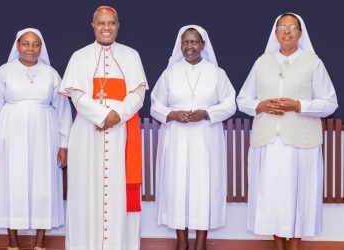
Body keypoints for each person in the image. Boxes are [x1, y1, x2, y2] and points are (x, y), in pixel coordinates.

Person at [237, 13, 338, 250]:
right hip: (269, 144)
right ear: (275, 33)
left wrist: (299, 105)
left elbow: (330, 103)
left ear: (301, 33)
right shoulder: (262, 61)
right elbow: (243, 99)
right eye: (282, 27)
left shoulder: (313, 62)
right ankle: (278, 246)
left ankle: (296, 246)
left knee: (298, 198)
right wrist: (259, 106)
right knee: (273, 199)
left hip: (300, 144)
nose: (287, 31)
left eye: (292, 27)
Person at [59, 5, 148, 250]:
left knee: (117, 191)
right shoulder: (79, 56)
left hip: (121, 134)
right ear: (93, 25)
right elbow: (76, 95)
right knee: (85, 193)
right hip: (87, 134)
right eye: (101, 23)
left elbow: (138, 94)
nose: (106, 28)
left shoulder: (131, 56)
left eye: (111, 23)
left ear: (118, 26)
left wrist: (116, 115)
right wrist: (102, 117)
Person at [0, 28, 72, 250]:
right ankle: (12, 243)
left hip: (44, 138)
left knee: (43, 185)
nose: (30, 49)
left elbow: (62, 110)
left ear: (41, 48)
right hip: (9, 138)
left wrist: (64, 145)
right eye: (26, 44)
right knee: (10, 185)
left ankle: (39, 243)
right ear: (17, 45)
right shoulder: (4, 72)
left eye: (35, 44)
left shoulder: (51, 74)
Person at [151, 25, 236, 250]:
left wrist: (207, 113)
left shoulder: (217, 73)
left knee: (204, 187)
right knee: (177, 186)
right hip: (176, 137)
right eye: (186, 42)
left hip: (206, 137)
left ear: (203, 45)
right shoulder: (170, 73)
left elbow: (230, 104)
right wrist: (172, 114)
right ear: (180, 45)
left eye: (194, 42)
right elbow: (155, 104)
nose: (190, 47)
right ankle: (181, 241)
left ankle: (200, 243)